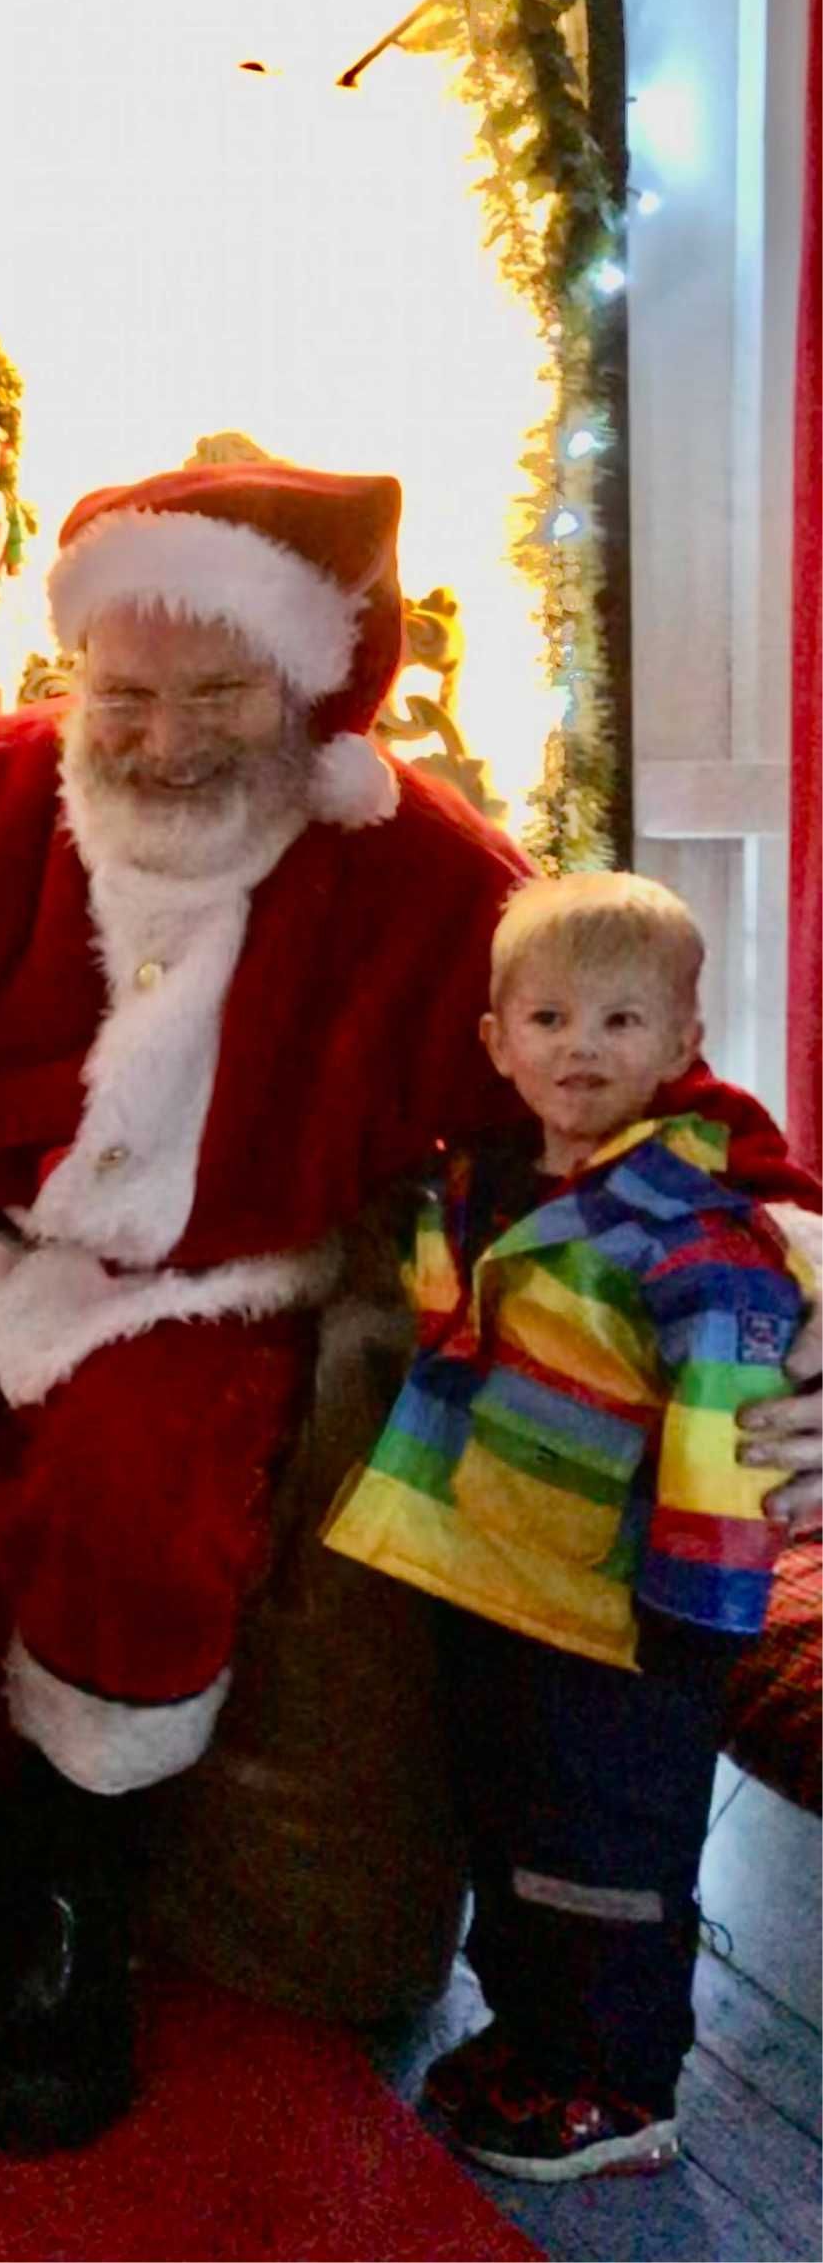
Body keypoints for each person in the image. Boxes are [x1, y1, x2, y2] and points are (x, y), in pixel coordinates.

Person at [0, 457, 823, 2158]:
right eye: (124, 694)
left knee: (143, 1500)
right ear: (74, 674)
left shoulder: (420, 866)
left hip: (193, 1289)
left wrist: (783, 1253)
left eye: (217, 694)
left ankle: (57, 1901)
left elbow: (628, 1075)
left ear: (312, 681)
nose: (166, 739)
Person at [323, 873, 818, 2181]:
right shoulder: (476, 1186)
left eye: (619, 1021)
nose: (579, 1049)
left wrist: (691, 1621)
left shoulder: (702, 1239)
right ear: (496, 1041)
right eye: (547, 1019)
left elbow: (732, 1437)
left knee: (610, 1856)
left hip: (629, 1620)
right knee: (511, 1830)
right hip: (490, 1581)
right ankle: (534, 2039)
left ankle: (618, 2088)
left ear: (679, 1044)